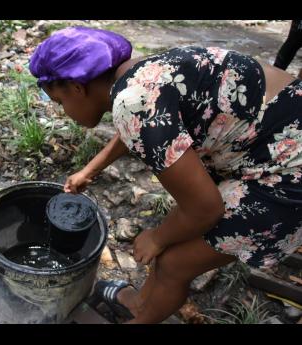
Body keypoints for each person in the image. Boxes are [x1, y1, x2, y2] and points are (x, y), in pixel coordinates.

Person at [29, 26, 302, 324]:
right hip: (274, 140)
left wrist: (157, 238)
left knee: (173, 263)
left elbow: (205, 208)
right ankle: (138, 301)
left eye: (59, 102)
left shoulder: (133, 104)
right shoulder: (141, 75)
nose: (63, 111)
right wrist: (90, 170)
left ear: (77, 87)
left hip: (287, 176)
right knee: (176, 233)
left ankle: (142, 316)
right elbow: (143, 122)